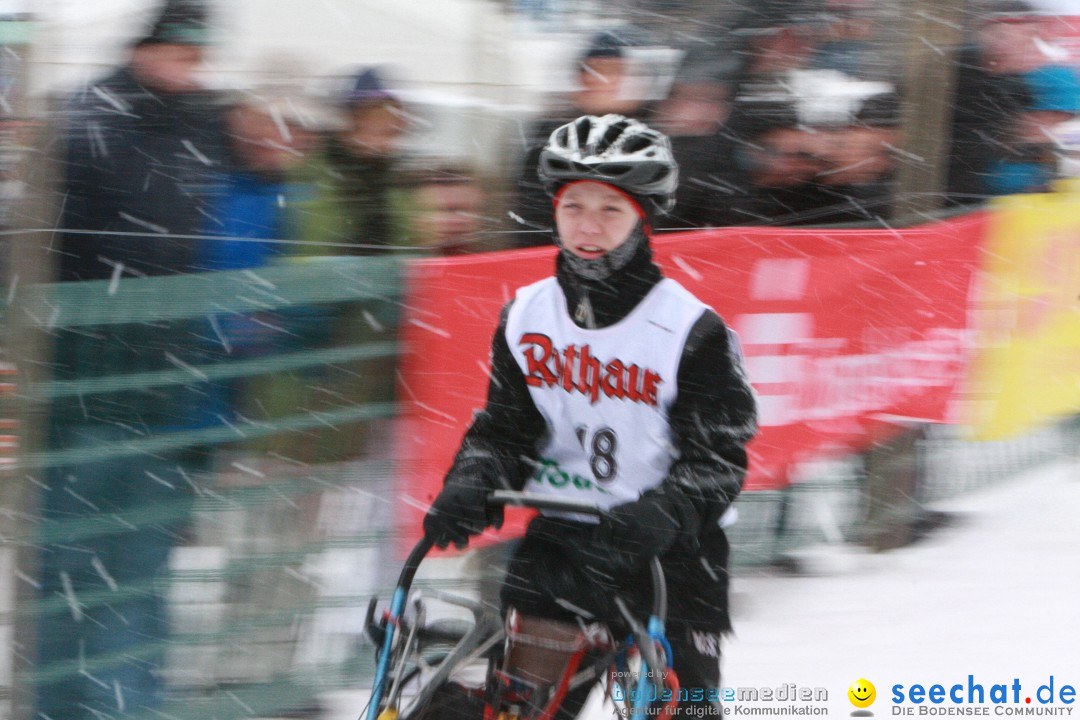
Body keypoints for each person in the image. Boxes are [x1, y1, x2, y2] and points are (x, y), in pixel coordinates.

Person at [423, 114, 759, 719]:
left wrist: (666, 511)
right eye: (574, 205)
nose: (588, 226)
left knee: (680, 709)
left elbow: (719, 458)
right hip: (564, 545)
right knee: (517, 711)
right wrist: (471, 479)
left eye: (611, 209)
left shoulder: (691, 330)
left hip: (670, 556)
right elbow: (506, 427)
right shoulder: (527, 316)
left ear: (643, 216)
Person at [38, 2, 229, 719]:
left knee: (143, 574)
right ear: (147, 47)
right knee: (70, 572)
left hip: (161, 389)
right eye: (180, 53)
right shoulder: (86, 120)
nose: (190, 69)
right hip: (84, 390)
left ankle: (128, 706)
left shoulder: (199, 123)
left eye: (198, 57)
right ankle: (61, 704)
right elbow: (36, 248)